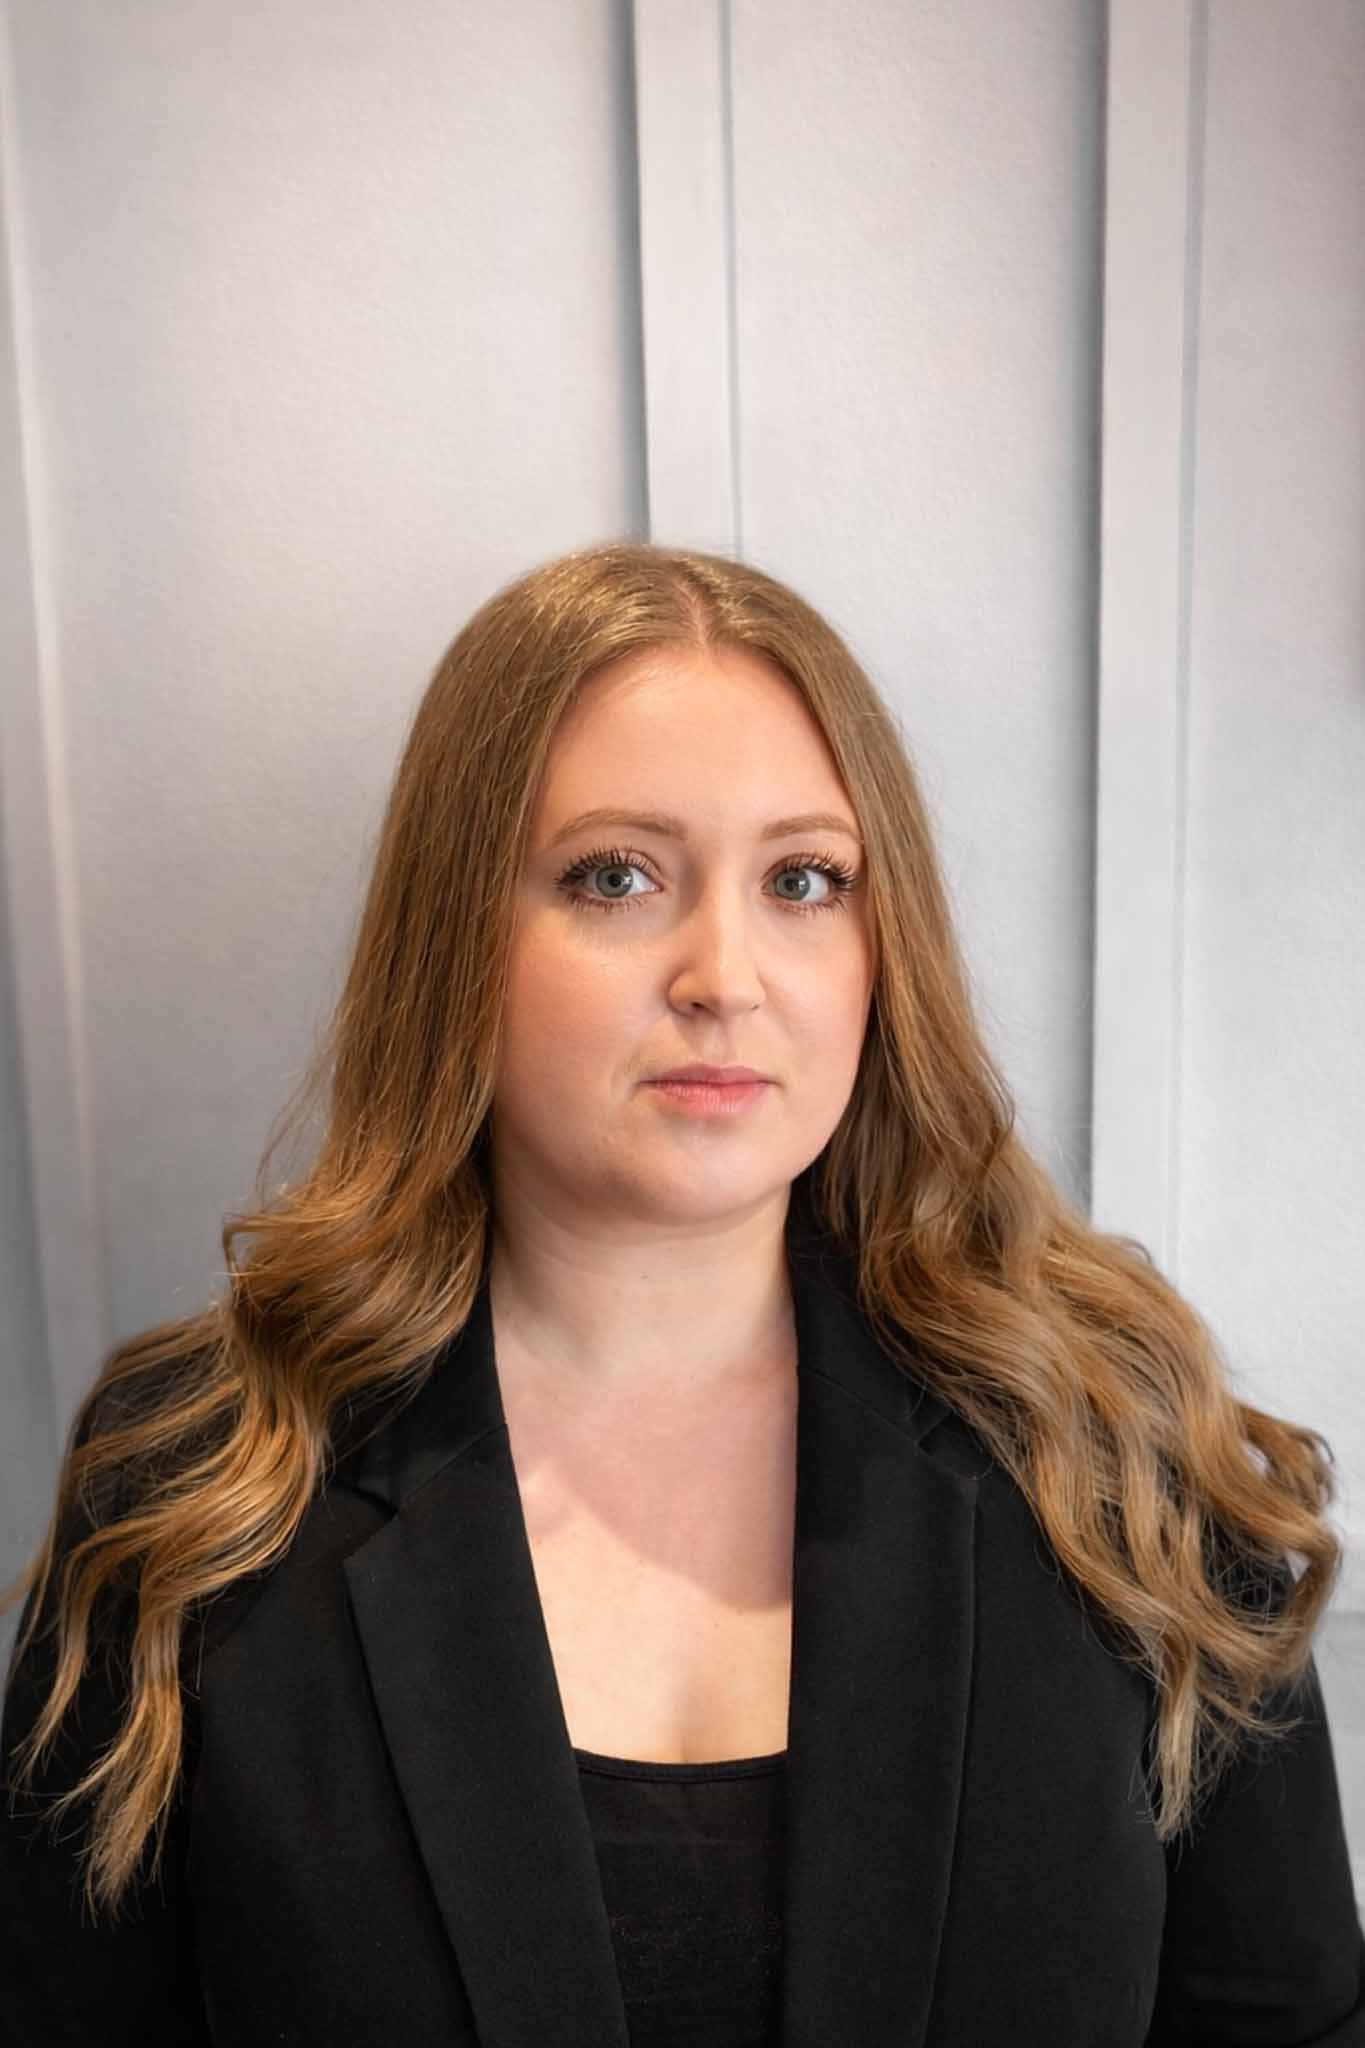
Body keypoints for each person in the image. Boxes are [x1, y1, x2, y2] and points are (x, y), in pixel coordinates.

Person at [2, 539, 1361, 2047]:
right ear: (457, 934)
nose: (726, 973)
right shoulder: (197, 1488)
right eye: (616, 876)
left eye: (803, 880)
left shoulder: (1121, 1453)